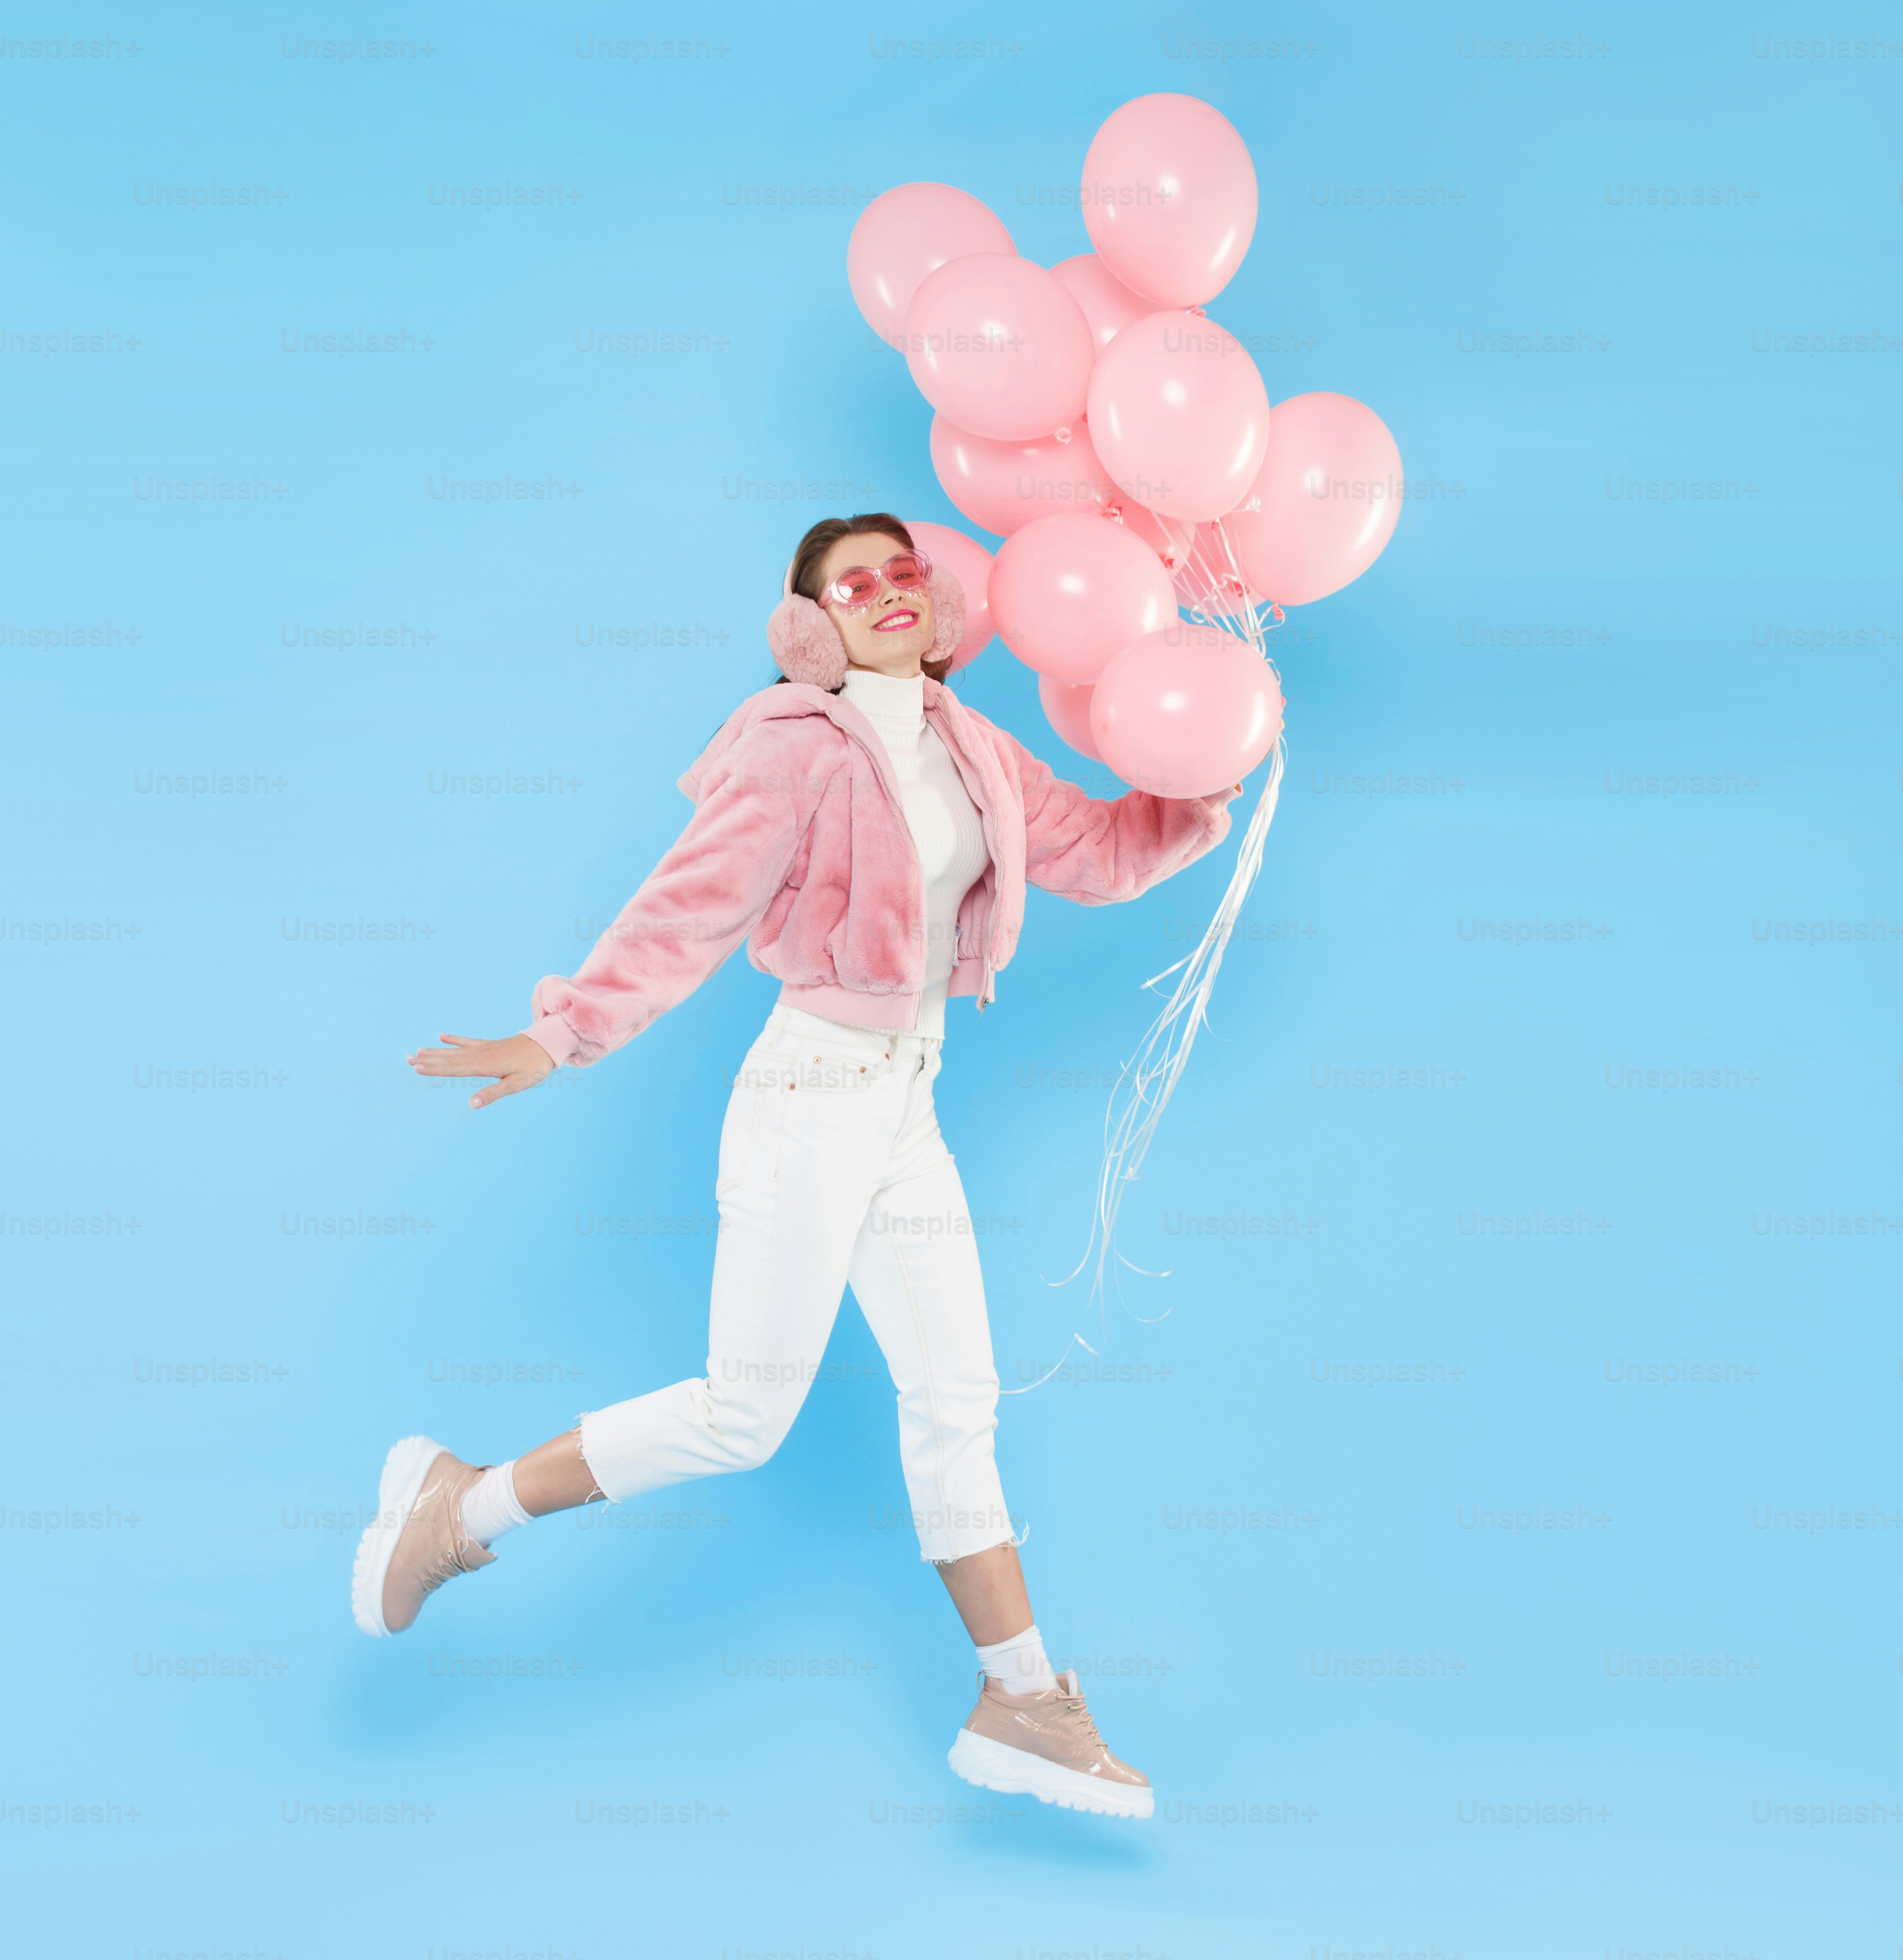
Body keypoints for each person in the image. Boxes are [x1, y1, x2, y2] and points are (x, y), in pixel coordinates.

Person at [350, 514, 1239, 1818]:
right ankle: (455, 1510)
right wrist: (562, 1030)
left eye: (901, 575)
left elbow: (1092, 853)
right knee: (740, 1413)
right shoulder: (793, 743)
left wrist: (1200, 779)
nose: (885, 592)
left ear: (937, 610)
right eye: (850, 582)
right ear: (809, 625)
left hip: (906, 1110)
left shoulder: (969, 743)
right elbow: (691, 900)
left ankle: (1021, 1697)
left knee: (957, 1403)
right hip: (807, 1098)